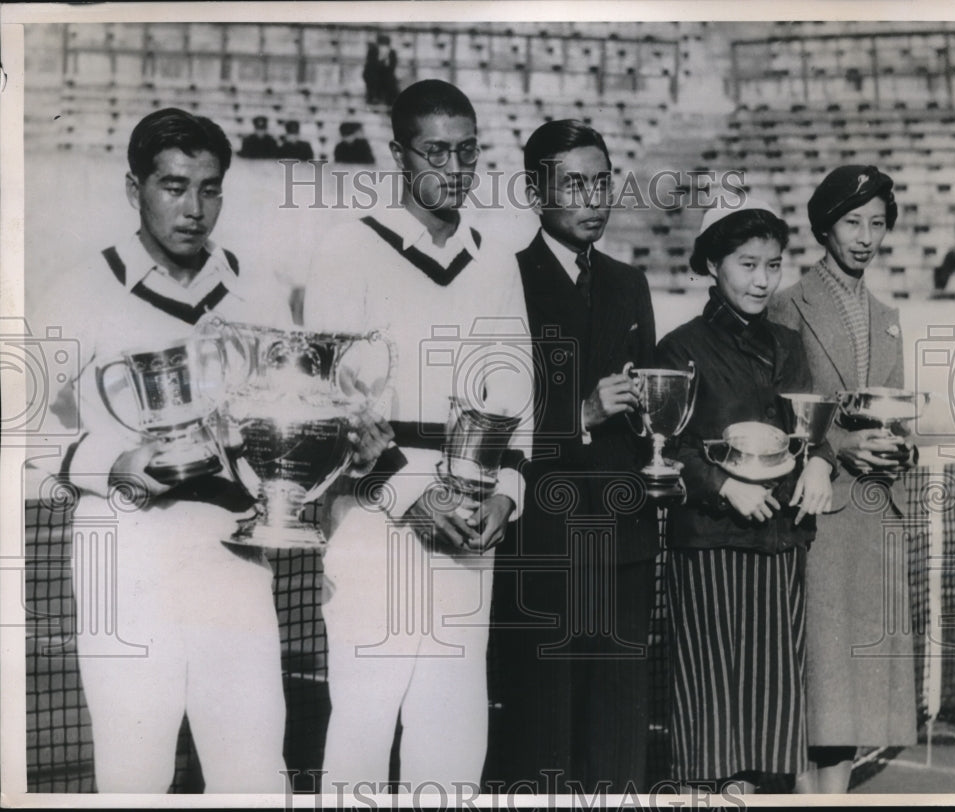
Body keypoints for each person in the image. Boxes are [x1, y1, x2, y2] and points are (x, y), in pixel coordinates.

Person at [38, 108, 288, 792]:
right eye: (174, 186)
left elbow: (288, 419)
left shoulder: (257, 290)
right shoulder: (78, 290)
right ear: (134, 189)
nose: (193, 208)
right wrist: (109, 464)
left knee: (253, 779)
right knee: (134, 775)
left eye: (209, 189)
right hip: (126, 553)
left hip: (232, 553)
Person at [300, 79, 532, 790]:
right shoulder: (346, 249)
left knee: (454, 727)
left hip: (468, 516)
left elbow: (518, 391)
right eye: (437, 152)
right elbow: (328, 408)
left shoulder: (494, 257)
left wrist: (508, 496)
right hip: (372, 515)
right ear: (399, 154)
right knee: (366, 719)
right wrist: (409, 495)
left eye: (468, 152)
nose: (454, 169)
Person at [489, 119, 658, 793]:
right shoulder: (507, 281)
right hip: (544, 545)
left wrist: (651, 421)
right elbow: (498, 416)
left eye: (602, 181)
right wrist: (582, 414)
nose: (593, 198)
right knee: (543, 729)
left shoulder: (630, 283)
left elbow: (648, 417)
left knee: (618, 730)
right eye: (574, 184)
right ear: (536, 192)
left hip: (623, 539)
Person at [654, 200, 836, 792]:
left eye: (773, 266)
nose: (762, 280)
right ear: (712, 264)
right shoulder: (680, 348)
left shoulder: (789, 343)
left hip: (779, 543)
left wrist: (823, 466)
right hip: (710, 544)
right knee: (707, 686)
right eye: (747, 264)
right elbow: (663, 449)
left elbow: (814, 431)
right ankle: (703, 789)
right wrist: (724, 485)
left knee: (770, 700)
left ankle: (752, 790)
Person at [769, 165, 918, 794]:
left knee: (853, 695)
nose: (866, 237)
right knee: (817, 686)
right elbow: (773, 415)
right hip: (819, 515)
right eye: (853, 222)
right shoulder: (787, 302)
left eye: (878, 224)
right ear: (825, 225)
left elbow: (899, 414)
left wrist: (899, 453)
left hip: (874, 515)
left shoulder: (886, 314)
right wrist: (837, 448)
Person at [363, 33, 400, 106]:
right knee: (373, 78)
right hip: (373, 73)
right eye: (381, 45)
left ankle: (392, 102)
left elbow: (392, 67)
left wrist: (386, 62)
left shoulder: (392, 53)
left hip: (386, 74)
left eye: (385, 45)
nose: (383, 47)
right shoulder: (372, 51)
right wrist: (380, 60)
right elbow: (370, 65)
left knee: (390, 80)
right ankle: (373, 97)